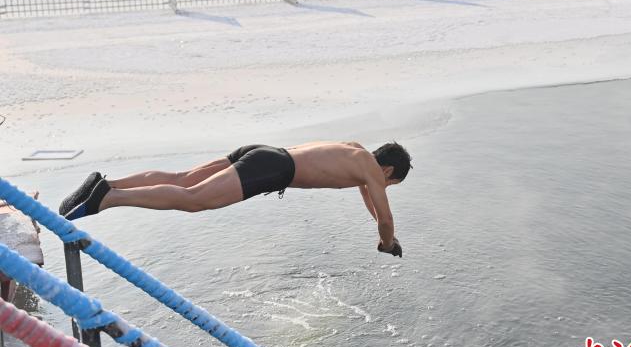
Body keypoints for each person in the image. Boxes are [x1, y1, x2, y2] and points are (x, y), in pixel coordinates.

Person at [60, 141, 412, 257]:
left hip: (264, 151)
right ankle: (108, 198)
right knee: (193, 199)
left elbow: (370, 198)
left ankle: (106, 183)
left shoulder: (355, 152)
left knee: (182, 178)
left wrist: (384, 233)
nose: (385, 188)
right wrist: (387, 243)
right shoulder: (370, 169)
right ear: (389, 171)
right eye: (391, 183)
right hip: (273, 168)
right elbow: (385, 218)